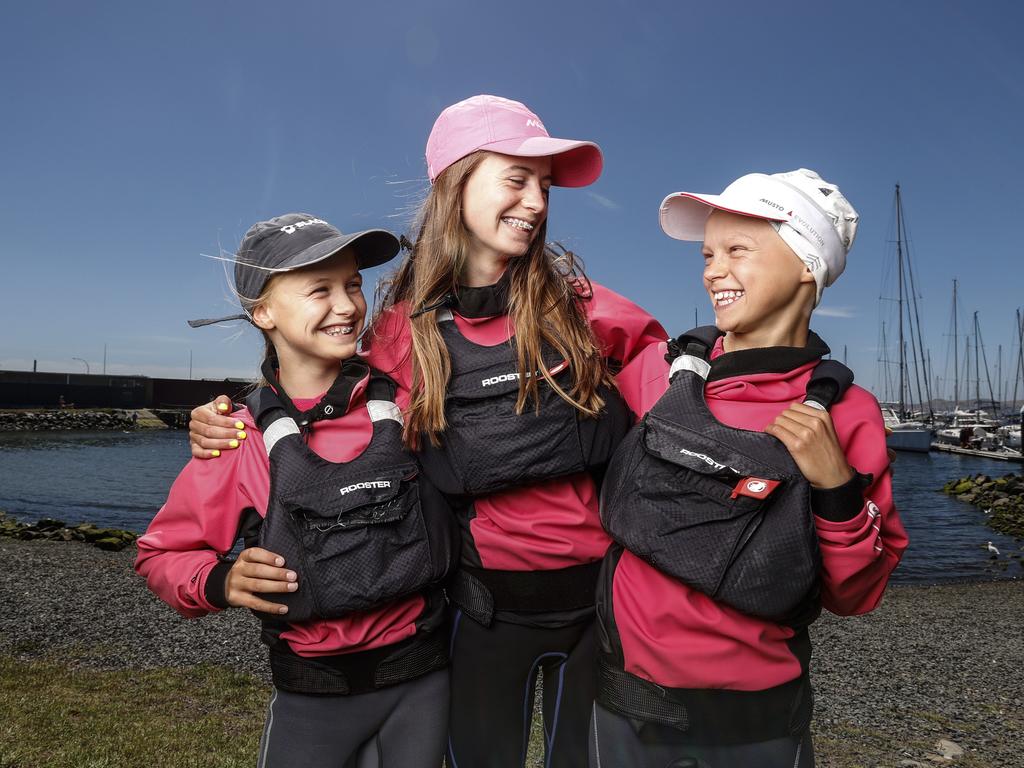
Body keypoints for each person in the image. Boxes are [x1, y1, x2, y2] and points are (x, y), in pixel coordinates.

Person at [188, 96, 667, 768]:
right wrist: (231, 418)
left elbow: (678, 397)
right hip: (478, 614)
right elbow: (325, 396)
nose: (535, 201)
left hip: (595, 608)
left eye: (545, 187)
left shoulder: (583, 310)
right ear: (455, 183)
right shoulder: (403, 334)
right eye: (516, 178)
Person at [590, 170, 909, 767]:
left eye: (738, 250)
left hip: (762, 718)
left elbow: (857, 596)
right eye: (708, 253)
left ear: (807, 266)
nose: (712, 269)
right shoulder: (657, 375)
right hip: (628, 703)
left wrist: (834, 487)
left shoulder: (847, 412)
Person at [136, 214, 455, 767]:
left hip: (425, 683)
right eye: (318, 290)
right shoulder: (239, 438)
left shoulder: (405, 399)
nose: (347, 305)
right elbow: (161, 554)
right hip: (313, 699)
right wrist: (221, 579)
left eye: (353, 284)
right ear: (262, 312)